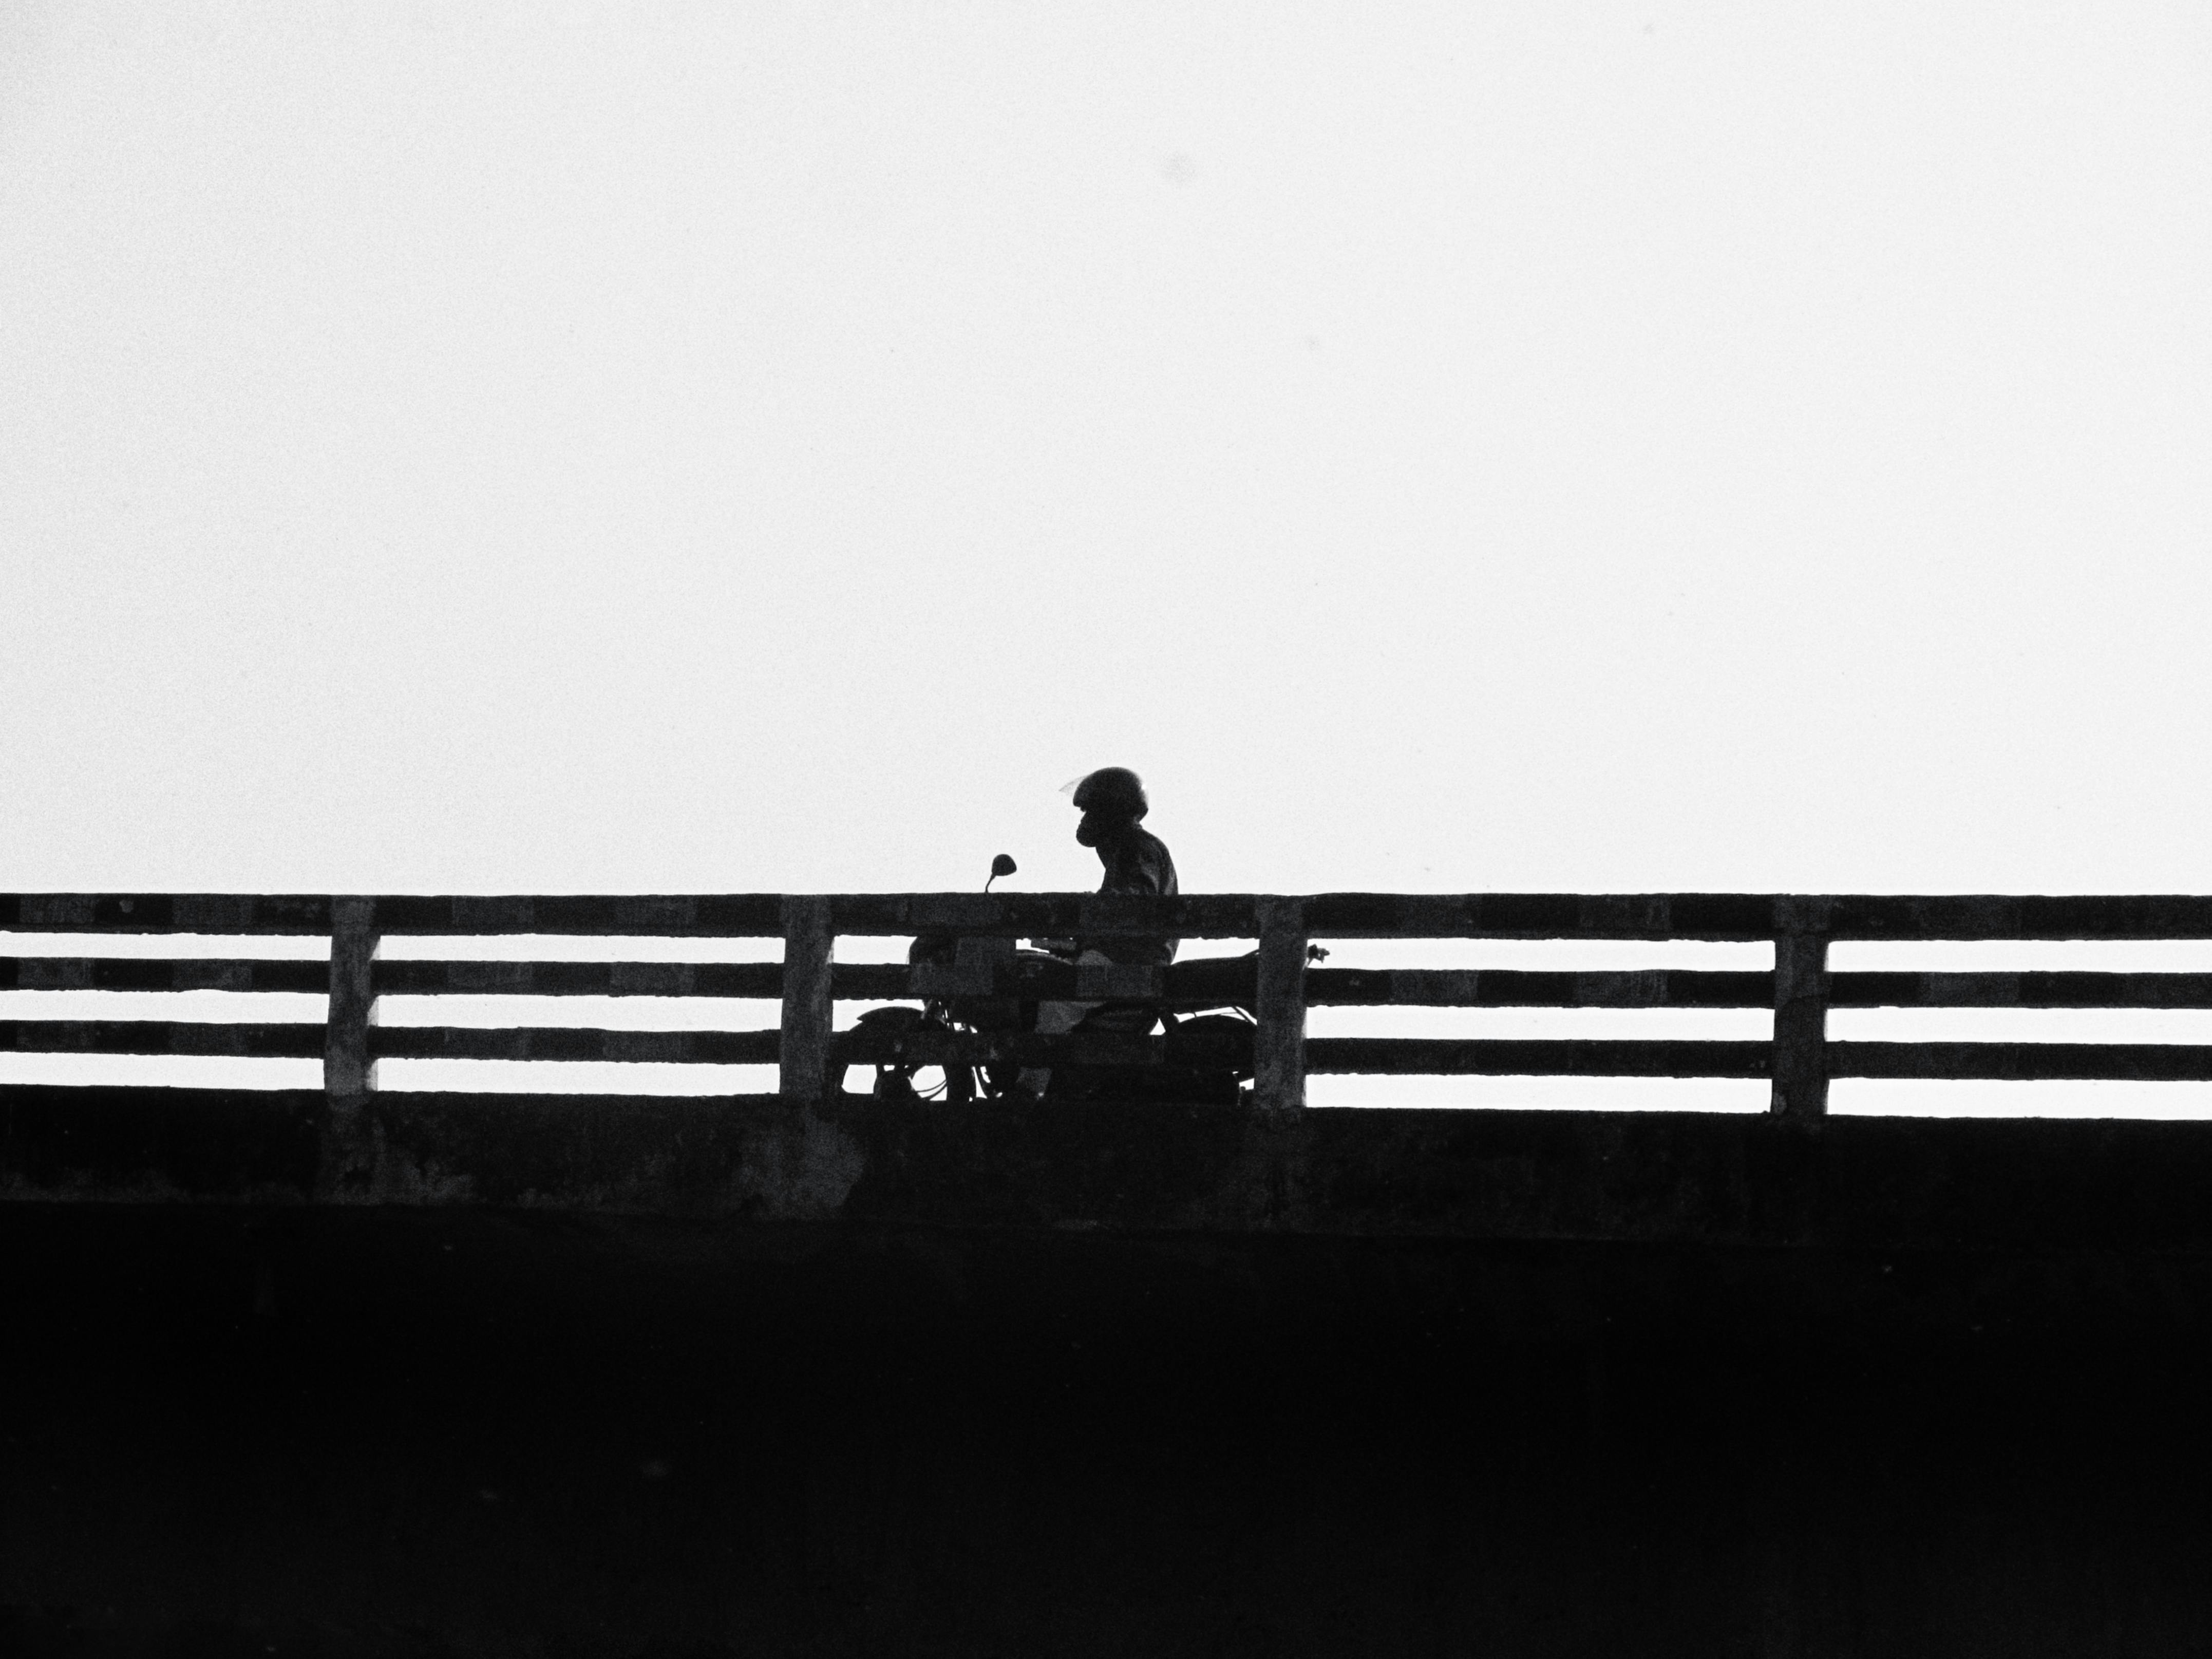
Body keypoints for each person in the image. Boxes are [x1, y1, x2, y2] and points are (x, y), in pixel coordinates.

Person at [1015, 767, 1178, 1100]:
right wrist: (1071, 939)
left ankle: (1027, 1091)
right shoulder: (1127, 849)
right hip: (1125, 957)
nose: (1085, 817)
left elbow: (1137, 899)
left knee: (1056, 1002)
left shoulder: (1138, 845)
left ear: (1113, 810)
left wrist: (1083, 910)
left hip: (1130, 962)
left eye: (1091, 809)